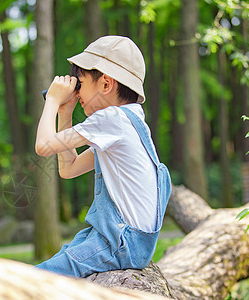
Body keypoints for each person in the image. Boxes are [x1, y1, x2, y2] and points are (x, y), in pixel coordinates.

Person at [34, 35, 171, 278]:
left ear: (105, 84)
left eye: (81, 82)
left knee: (42, 276)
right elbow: (69, 169)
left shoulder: (113, 120)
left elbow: (44, 146)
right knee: (62, 259)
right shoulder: (129, 122)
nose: (78, 91)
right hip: (122, 238)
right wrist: (65, 114)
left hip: (121, 240)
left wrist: (53, 100)